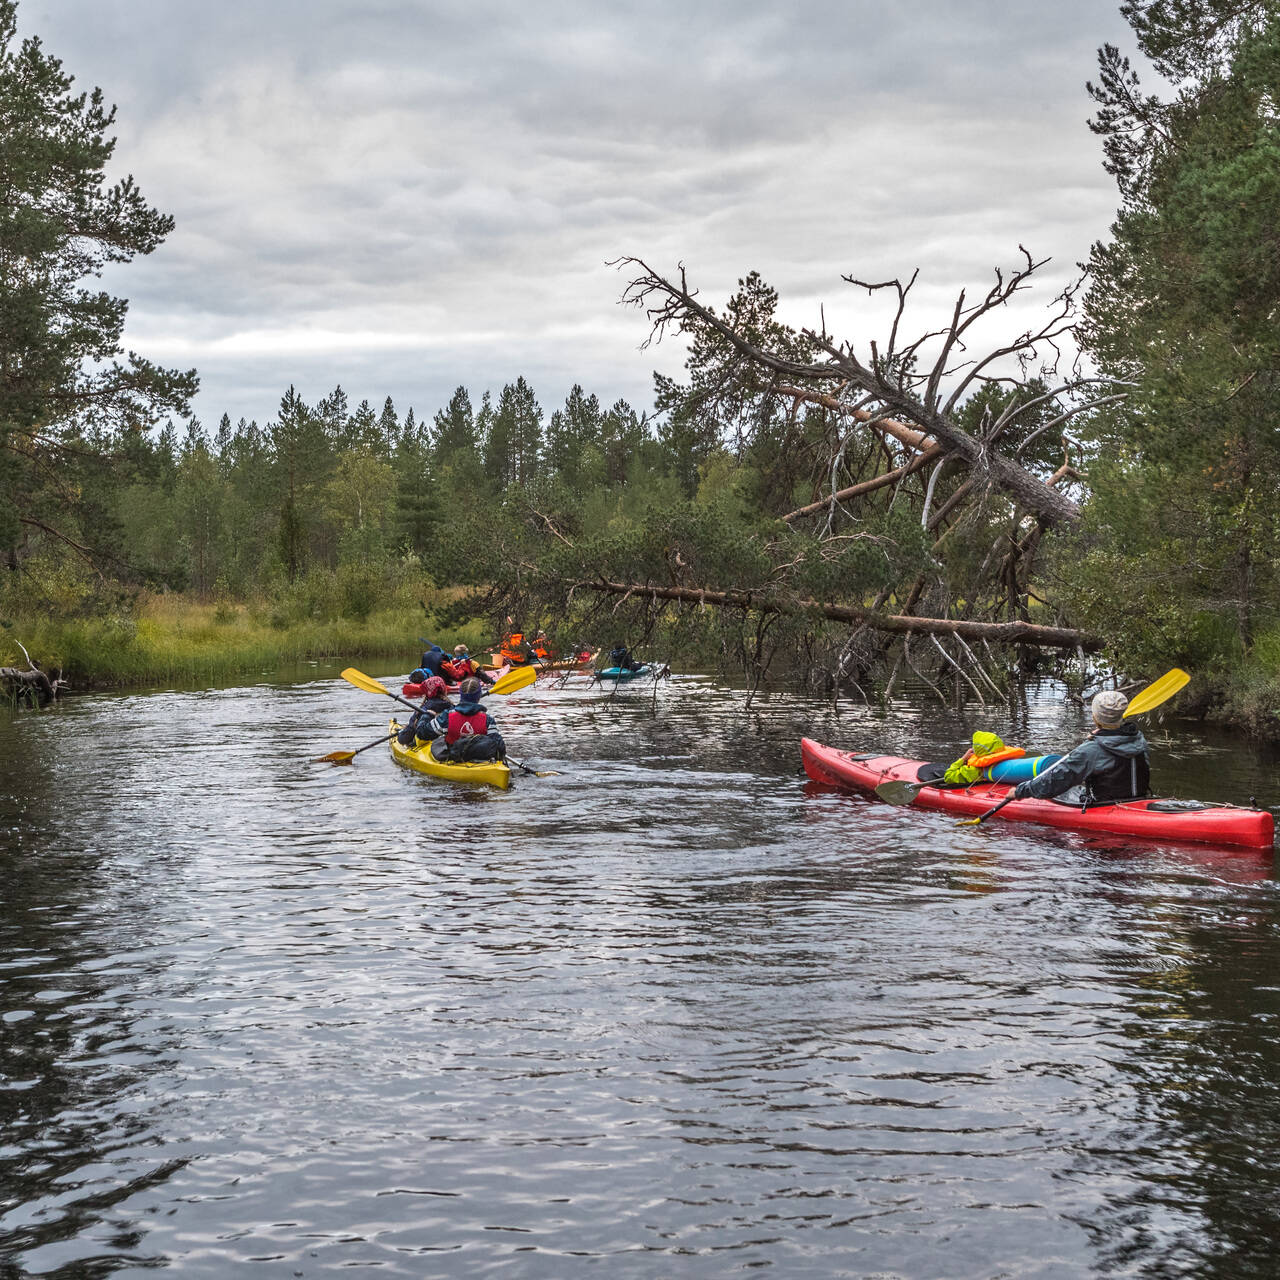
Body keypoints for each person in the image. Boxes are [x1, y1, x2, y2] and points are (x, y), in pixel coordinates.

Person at [1011, 690, 1150, 804]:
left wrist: (1021, 791)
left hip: (1103, 805)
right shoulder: (1139, 739)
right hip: (1139, 800)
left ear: (1095, 718)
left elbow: (1058, 780)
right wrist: (1102, 733)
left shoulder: (1091, 750)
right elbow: (1115, 738)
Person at [424, 676, 506, 763]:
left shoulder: (447, 716)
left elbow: (423, 734)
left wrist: (427, 715)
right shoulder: (488, 720)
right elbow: (500, 748)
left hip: (454, 759)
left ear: (461, 695)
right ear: (478, 696)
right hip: (481, 761)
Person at [397, 676, 454, 746]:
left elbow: (403, 739)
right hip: (444, 745)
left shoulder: (422, 710)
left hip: (424, 745)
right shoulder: (452, 707)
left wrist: (400, 735)